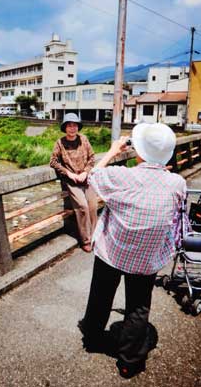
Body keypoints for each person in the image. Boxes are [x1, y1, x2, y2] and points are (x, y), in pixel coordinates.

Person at [78, 122, 186, 378]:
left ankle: (92, 338)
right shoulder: (177, 183)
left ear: (139, 152)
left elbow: (91, 177)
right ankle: (129, 362)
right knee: (138, 306)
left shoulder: (123, 176)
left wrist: (114, 151)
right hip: (147, 257)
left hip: (113, 250)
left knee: (100, 296)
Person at [49, 113, 98, 252]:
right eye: (69, 125)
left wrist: (85, 172)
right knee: (82, 206)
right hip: (72, 181)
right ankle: (86, 240)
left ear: (78, 127)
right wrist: (68, 173)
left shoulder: (84, 139)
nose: (72, 128)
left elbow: (92, 158)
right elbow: (53, 161)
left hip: (86, 178)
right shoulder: (60, 143)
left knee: (92, 206)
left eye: (75, 125)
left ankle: (94, 236)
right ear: (65, 127)